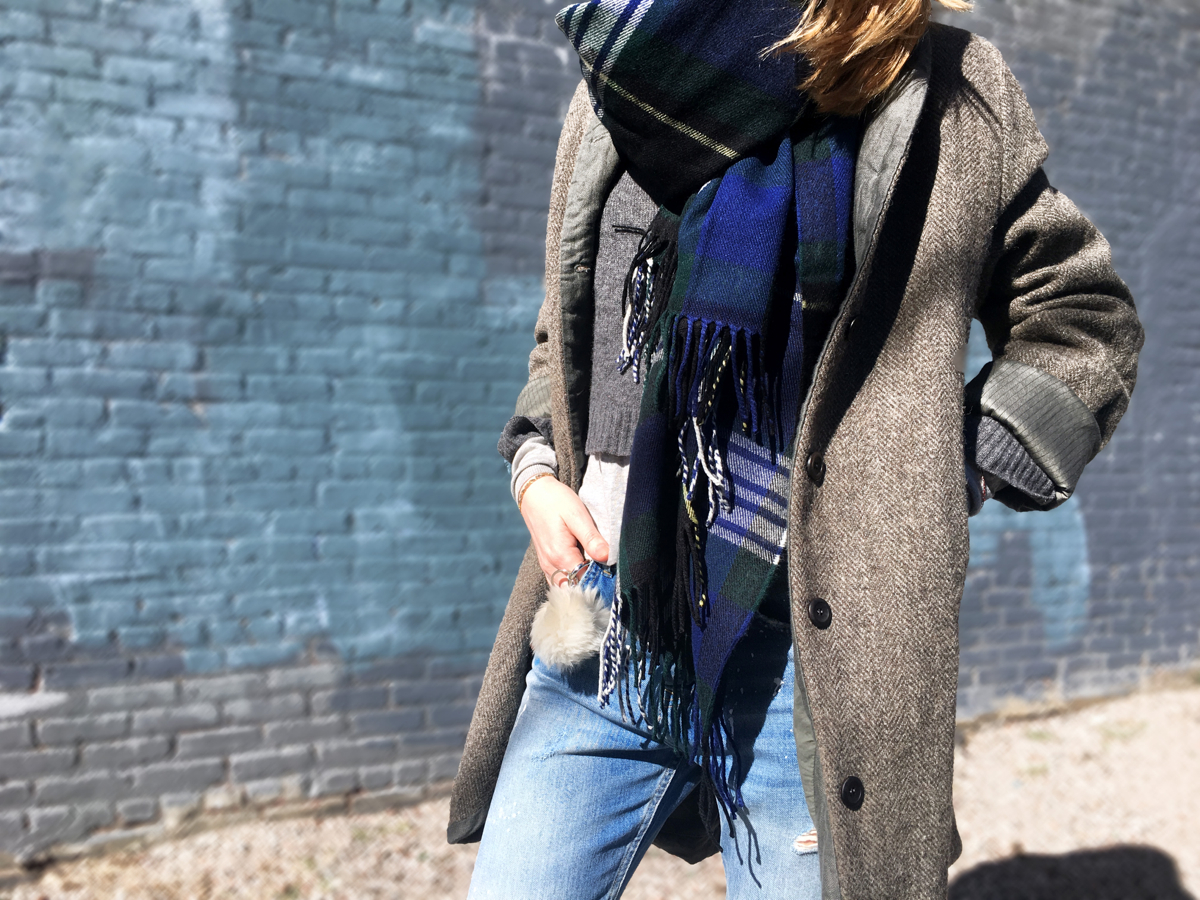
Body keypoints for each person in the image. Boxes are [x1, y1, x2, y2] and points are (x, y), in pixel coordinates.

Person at [449, 0, 1144, 897]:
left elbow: (1083, 318)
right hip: (605, 625)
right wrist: (536, 473)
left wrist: (951, 468)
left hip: (808, 673)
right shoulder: (618, 86)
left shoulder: (946, 90)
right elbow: (571, 324)